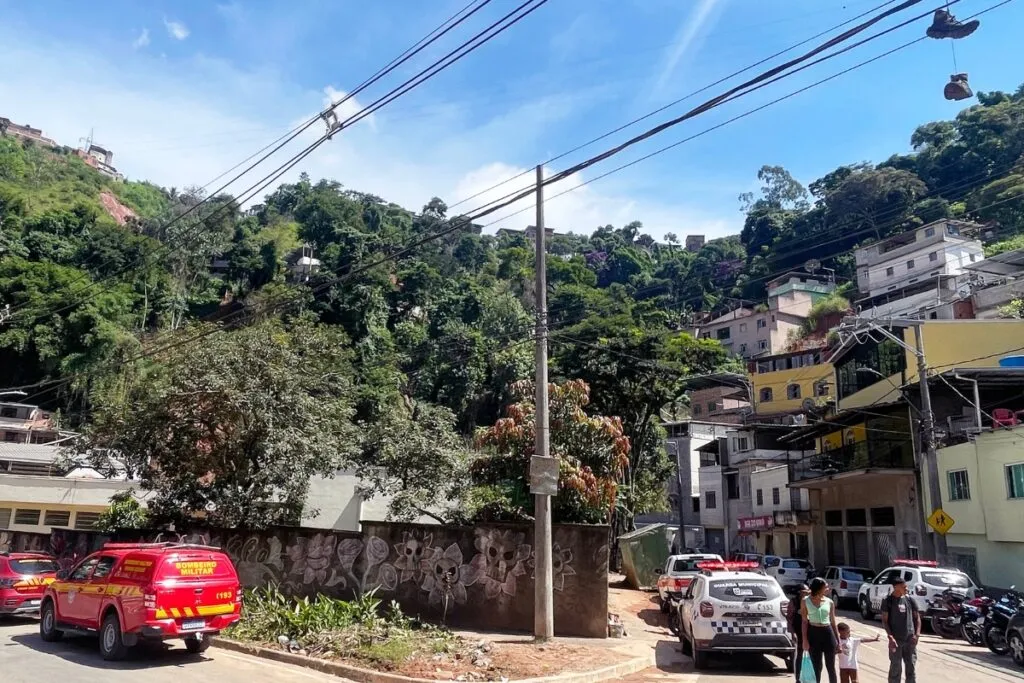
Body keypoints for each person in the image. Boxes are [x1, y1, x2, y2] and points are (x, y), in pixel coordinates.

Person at [881, 577, 921, 683]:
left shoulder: (910, 600)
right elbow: (885, 621)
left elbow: (917, 618)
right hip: (896, 640)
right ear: (896, 587)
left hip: (910, 639)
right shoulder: (888, 601)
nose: (906, 588)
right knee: (895, 667)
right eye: (904, 587)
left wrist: (916, 635)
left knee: (911, 666)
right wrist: (890, 637)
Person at [801, 577, 839, 683]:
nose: (827, 588)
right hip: (814, 633)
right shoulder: (805, 601)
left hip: (827, 633)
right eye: (825, 586)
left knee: (831, 666)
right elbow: (804, 622)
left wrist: (838, 640)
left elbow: (833, 622)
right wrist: (805, 640)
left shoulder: (829, 602)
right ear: (818, 588)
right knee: (817, 666)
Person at [788, 584, 810, 683]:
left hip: (810, 630)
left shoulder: (810, 601)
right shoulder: (793, 602)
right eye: (804, 592)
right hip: (798, 630)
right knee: (800, 655)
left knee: (812, 655)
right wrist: (793, 633)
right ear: (799, 592)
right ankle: (798, 678)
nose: (807, 593)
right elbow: (789, 619)